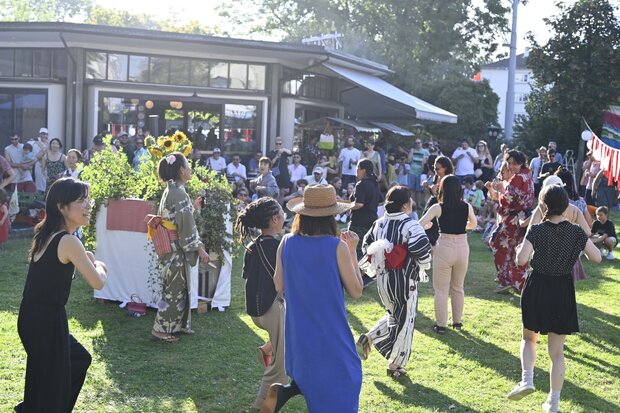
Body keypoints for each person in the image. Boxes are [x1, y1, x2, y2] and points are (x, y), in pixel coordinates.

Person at [263, 184, 363, 413]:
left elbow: (279, 286)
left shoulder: (286, 242)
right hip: (331, 336)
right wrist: (353, 251)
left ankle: (289, 390)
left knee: (314, 384)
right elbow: (356, 291)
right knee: (347, 383)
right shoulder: (337, 246)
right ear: (331, 216)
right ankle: (290, 390)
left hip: (299, 340)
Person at [14, 177, 108, 413]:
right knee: (50, 383)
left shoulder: (49, 234)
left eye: (88, 200)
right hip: (46, 320)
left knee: (75, 361)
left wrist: (84, 256)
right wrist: (100, 265)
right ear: (61, 207)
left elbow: (60, 265)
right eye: (81, 201)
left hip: (35, 317)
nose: (88, 206)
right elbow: (98, 282)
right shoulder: (67, 240)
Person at [507, 184, 601, 413]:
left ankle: (527, 379)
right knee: (557, 353)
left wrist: (534, 222)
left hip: (538, 286)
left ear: (543, 205)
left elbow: (521, 259)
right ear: (566, 205)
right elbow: (597, 258)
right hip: (562, 290)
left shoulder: (537, 230)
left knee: (529, 339)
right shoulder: (576, 231)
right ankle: (554, 401)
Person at [356, 186, 431, 378]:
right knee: (406, 321)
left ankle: (369, 337)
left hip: (383, 279)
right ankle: (396, 365)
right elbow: (422, 250)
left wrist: (382, 259)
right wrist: (421, 265)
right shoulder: (409, 224)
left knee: (395, 314)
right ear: (406, 204)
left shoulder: (379, 223)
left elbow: (366, 246)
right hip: (405, 280)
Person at [235, 198, 288, 410]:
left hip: (256, 312)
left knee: (296, 333)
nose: (285, 216)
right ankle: (261, 406)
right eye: (282, 212)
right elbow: (284, 283)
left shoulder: (252, 245)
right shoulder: (278, 247)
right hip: (272, 309)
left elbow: (247, 275)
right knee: (280, 368)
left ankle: (267, 349)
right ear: (275, 219)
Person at [151, 153, 210, 342]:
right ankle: (160, 329)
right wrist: (199, 248)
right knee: (174, 288)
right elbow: (186, 226)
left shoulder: (173, 189)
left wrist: (192, 207)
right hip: (174, 246)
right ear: (181, 170)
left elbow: (180, 217)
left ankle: (176, 324)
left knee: (176, 287)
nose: (190, 169)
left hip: (170, 245)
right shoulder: (179, 192)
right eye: (188, 166)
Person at [419, 175, 477, 334]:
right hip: (462, 247)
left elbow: (420, 225)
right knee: (458, 287)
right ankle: (457, 322)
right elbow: (474, 224)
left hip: (444, 246)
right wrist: (461, 225)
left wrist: (429, 225)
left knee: (441, 290)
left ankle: (441, 325)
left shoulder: (437, 207)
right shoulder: (466, 206)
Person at [486, 150, 535, 294]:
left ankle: (507, 280)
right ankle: (518, 281)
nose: (511, 166)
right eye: (509, 163)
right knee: (515, 249)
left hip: (513, 219)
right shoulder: (527, 175)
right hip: (521, 217)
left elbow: (506, 201)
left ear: (521, 163)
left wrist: (499, 188)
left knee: (497, 245)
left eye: (514, 163)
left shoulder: (519, 178)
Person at [350, 159, 383, 287]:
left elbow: (359, 204)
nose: (356, 170)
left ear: (363, 170)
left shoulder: (361, 184)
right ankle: (367, 276)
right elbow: (381, 200)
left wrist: (346, 206)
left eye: (358, 168)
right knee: (367, 250)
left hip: (359, 221)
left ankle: (358, 278)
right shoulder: (374, 184)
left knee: (355, 249)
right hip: (372, 220)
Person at [422, 156, 454, 247]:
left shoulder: (450, 180)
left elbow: (447, 199)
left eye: (437, 168)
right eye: (434, 168)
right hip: (432, 205)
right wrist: (428, 188)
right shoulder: (436, 177)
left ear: (445, 168)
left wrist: (435, 193)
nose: (435, 170)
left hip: (440, 210)